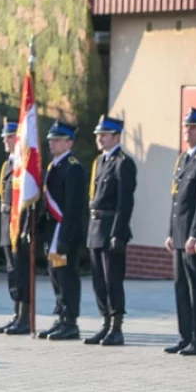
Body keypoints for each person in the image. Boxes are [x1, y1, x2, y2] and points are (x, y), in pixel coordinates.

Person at [85, 114, 137, 346]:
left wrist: (118, 233)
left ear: (116, 137)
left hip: (111, 229)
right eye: (98, 134)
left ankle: (116, 328)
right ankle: (105, 323)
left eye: (104, 134)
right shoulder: (100, 161)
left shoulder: (123, 163)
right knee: (99, 281)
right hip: (96, 228)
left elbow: (125, 203)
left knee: (112, 280)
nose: (100, 138)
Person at [38, 121, 87, 341]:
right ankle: (61, 316)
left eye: (57, 140)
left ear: (69, 143)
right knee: (55, 275)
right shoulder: (53, 166)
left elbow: (73, 207)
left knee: (67, 277)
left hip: (65, 232)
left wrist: (64, 237)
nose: (52, 143)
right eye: (51, 139)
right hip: (53, 230)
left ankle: (70, 321)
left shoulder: (73, 167)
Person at [164, 107, 196, 355]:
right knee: (180, 287)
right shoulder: (183, 159)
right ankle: (185, 336)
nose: (187, 131)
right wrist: (170, 232)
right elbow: (176, 199)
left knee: (195, 288)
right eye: (185, 127)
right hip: (179, 233)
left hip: (192, 235)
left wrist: (195, 234)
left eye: (193, 127)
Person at [0, 119, 31, 335]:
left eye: (9, 137)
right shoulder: (7, 165)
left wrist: (26, 228)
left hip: (20, 224)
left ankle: (25, 317)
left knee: (22, 272)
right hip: (7, 223)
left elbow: (29, 201)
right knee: (11, 272)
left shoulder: (24, 166)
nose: (5, 141)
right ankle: (16, 314)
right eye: (4, 137)